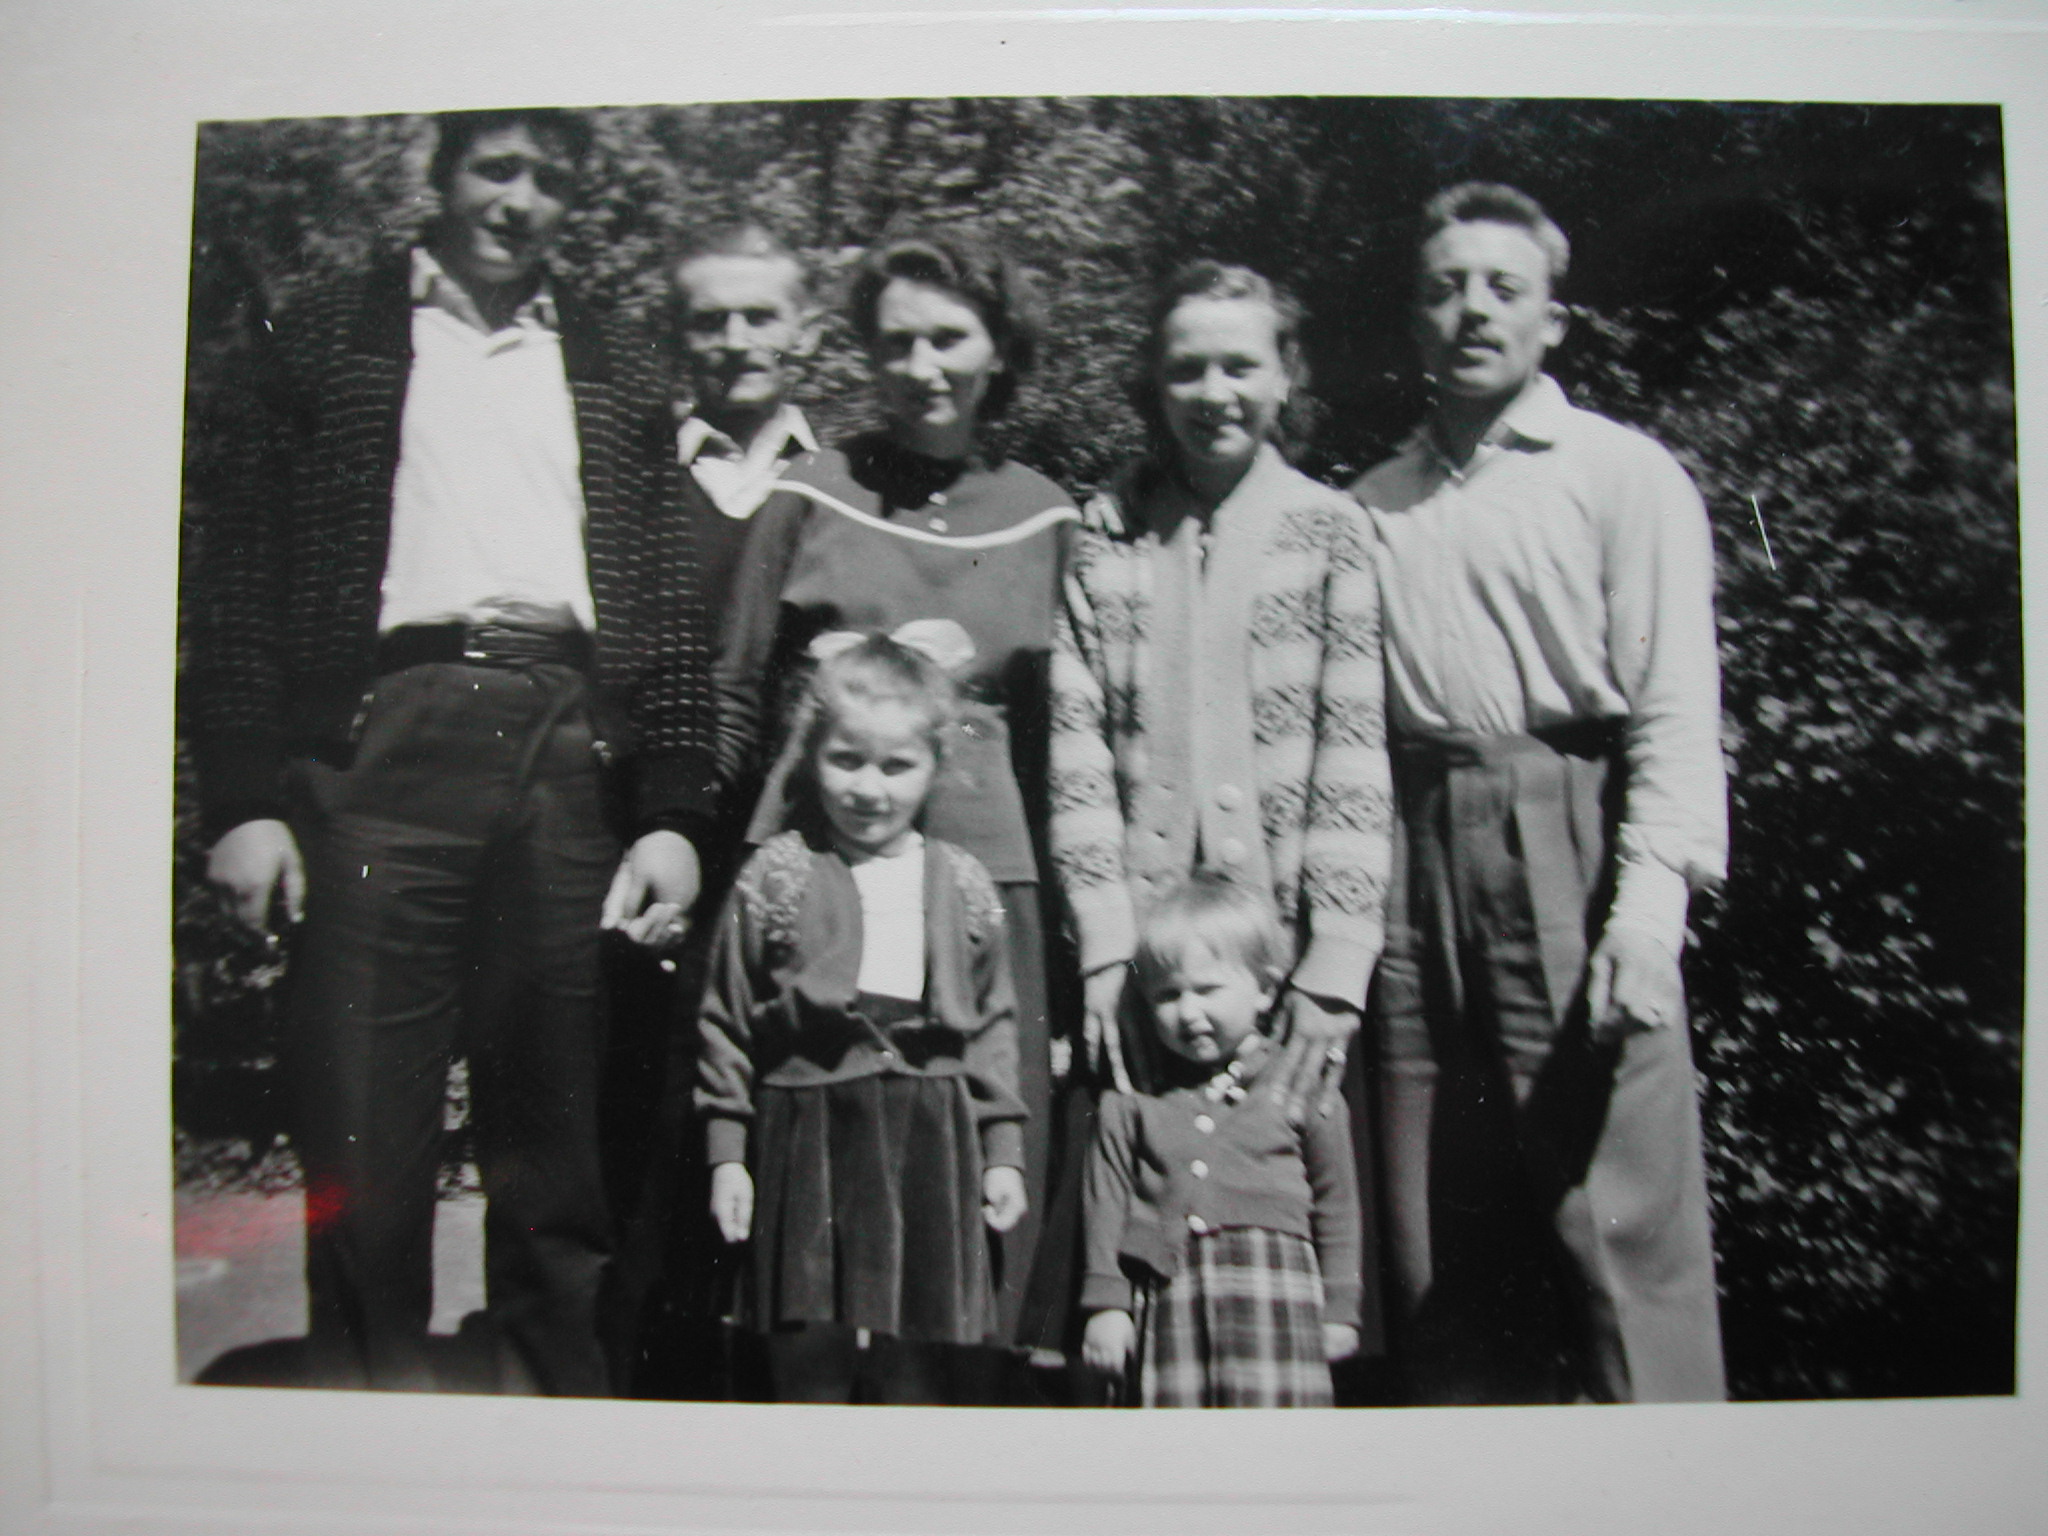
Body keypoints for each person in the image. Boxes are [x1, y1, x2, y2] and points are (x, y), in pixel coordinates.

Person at [186, 109, 718, 1394]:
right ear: (440, 174)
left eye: (550, 179)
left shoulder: (614, 356)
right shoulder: (325, 331)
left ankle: (549, 1421)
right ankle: (373, 1428)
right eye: (497, 167)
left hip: (565, 741)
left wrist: (670, 810)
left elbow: (663, 599)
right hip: (383, 741)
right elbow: (237, 568)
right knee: (364, 1127)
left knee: (555, 1136)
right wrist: (244, 800)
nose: (520, 200)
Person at [1350, 183, 1726, 1404]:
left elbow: (1672, 703)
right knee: (1438, 1226)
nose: (1471, 310)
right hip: (1409, 854)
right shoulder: (1368, 505)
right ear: (1413, 320)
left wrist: (1648, 913)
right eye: (1443, 289)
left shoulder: (1619, 473)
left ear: (1550, 320)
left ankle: (1670, 1467)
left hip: (1567, 832)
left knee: (1618, 1215)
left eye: (1501, 288)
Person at [716, 226, 1076, 1371]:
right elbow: (732, 685)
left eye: (948, 338)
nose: (921, 367)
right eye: (894, 342)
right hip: (818, 864)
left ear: (997, 349)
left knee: (976, 1150)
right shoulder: (809, 493)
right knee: (813, 1139)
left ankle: (964, 1404)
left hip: (983, 873)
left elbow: (1065, 734)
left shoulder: (1044, 513)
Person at [1047, 260, 1392, 1137]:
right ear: (1154, 386)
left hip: (1283, 963)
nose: (1214, 393)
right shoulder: (1109, 534)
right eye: (1187, 369)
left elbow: (1352, 754)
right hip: (1144, 969)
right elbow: (1078, 752)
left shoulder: (1330, 530)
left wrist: (1336, 959)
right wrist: (1105, 941)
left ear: (1284, 378)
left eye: (1240, 366)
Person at [695, 629, 1029, 1403]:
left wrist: (1003, 1152)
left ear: (937, 765)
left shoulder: (964, 884)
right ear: (811, 754)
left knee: (920, 1355)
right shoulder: (776, 874)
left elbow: (993, 1026)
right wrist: (727, 1156)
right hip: (806, 1127)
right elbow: (725, 1019)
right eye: (846, 760)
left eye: (896, 766)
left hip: (929, 1135)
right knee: (806, 1349)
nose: (868, 789)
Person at [1079, 873, 1364, 1407]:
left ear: (1265, 990)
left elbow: (1337, 1202)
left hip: (1278, 1297)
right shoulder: (1132, 1097)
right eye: (1167, 995)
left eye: (1207, 990)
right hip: (1172, 1296)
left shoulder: (1300, 1085)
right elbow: (1105, 1203)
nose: (1188, 1013)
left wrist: (1341, 1308)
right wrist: (1106, 1304)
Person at [672, 222, 822, 606]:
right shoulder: (635, 473)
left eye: (759, 318)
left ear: (806, 334)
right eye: (710, 321)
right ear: (677, 336)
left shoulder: (841, 481)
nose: (736, 343)